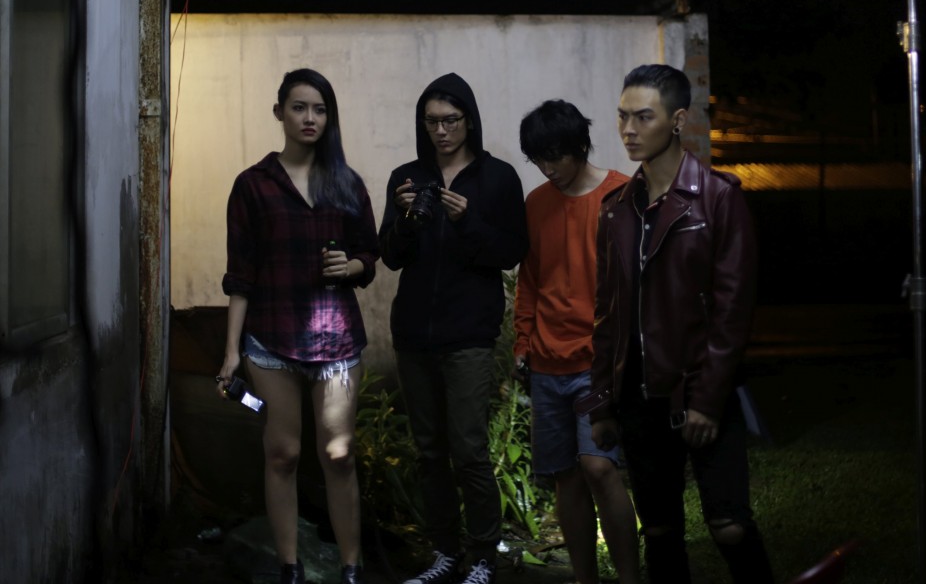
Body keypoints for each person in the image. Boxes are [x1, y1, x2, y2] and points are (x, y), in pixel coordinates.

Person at [587, 64, 774, 584]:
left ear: (678, 120)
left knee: (729, 525)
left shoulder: (718, 197)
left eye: (643, 117)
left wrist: (708, 401)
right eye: (622, 116)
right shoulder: (616, 209)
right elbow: (607, 313)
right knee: (660, 531)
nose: (628, 129)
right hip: (637, 397)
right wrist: (602, 402)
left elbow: (733, 311)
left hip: (699, 388)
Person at [218, 68, 379, 584]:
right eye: (299, 107)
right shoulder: (253, 186)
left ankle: (351, 567)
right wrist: (231, 352)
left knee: (339, 455)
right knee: (283, 452)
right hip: (271, 337)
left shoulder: (346, 182)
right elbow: (240, 275)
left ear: (329, 118)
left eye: (320, 109)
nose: (310, 118)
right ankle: (290, 566)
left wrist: (351, 267)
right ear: (280, 112)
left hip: (336, 339)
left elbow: (369, 254)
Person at [378, 73, 528, 584]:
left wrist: (468, 222)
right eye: (432, 122)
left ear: (469, 121)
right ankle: (444, 553)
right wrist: (405, 220)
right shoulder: (406, 177)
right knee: (429, 452)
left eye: (451, 121)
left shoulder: (497, 178)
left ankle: (482, 556)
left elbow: (511, 252)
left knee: (468, 450)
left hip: (468, 334)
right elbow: (390, 256)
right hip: (413, 333)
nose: (441, 131)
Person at [512, 100, 641, 584]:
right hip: (546, 362)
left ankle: (629, 577)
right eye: (538, 160)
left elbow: (635, 285)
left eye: (555, 157)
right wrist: (523, 342)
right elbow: (530, 279)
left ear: (579, 147)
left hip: (596, 362)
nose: (548, 169)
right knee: (566, 475)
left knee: (599, 467)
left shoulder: (621, 195)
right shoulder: (536, 203)